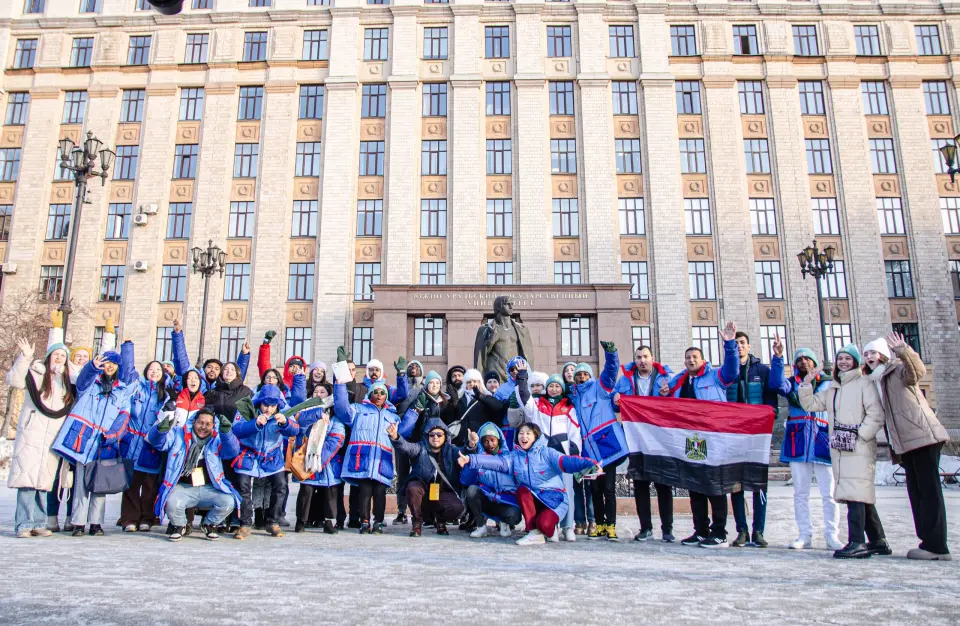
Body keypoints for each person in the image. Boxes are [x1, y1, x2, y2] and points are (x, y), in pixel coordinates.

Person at [863, 333, 951, 561]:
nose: (869, 357)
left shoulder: (897, 370)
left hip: (923, 436)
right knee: (917, 492)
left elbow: (918, 372)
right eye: (865, 354)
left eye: (873, 352)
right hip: (905, 442)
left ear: (883, 354)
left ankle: (937, 546)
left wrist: (903, 349)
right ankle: (928, 542)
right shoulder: (875, 380)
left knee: (929, 491)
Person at [798, 343, 886, 559]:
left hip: (858, 446)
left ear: (856, 361)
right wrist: (806, 384)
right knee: (857, 491)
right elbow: (811, 405)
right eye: (840, 359)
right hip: (840, 447)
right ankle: (879, 541)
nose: (843, 362)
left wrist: (860, 436)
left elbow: (876, 415)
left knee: (855, 493)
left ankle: (857, 541)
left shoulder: (864, 383)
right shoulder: (834, 388)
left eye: (848, 358)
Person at [662, 321, 739, 548]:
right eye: (687, 358)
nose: (691, 361)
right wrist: (664, 393)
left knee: (714, 485)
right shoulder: (679, 380)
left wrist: (730, 344)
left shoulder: (716, 376)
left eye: (695, 357)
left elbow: (733, 369)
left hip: (714, 438)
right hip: (691, 440)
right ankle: (700, 530)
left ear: (703, 360)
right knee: (694, 485)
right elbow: (665, 401)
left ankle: (719, 532)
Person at [459, 422, 599, 545]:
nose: (523, 437)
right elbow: (498, 463)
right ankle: (533, 532)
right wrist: (471, 459)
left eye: (528, 434)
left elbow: (567, 462)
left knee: (545, 526)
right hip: (533, 498)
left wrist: (588, 463)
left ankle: (546, 528)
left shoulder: (547, 453)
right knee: (523, 490)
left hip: (553, 499)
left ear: (535, 436)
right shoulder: (515, 457)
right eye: (521, 433)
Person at [52, 343, 136, 536]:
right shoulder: (91, 384)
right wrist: (91, 366)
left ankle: (96, 523)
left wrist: (112, 435)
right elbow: (82, 381)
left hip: (104, 443)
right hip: (83, 440)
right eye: (107, 363)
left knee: (100, 484)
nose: (110, 366)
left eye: (114, 364)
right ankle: (78, 523)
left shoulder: (122, 391)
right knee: (81, 484)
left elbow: (124, 416)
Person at [769, 338, 842, 551]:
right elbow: (775, 383)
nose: (803, 363)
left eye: (806, 359)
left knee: (829, 491)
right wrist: (778, 357)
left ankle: (832, 534)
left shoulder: (829, 383)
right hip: (798, 439)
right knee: (800, 492)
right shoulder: (792, 384)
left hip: (821, 438)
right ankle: (804, 534)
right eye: (799, 360)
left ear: (814, 361)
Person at [7, 314, 75, 539]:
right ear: (48, 357)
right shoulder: (36, 374)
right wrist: (25, 358)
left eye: (62, 357)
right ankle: (23, 525)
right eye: (55, 355)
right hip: (32, 435)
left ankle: (38, 522)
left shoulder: (65, 383)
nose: (59, 360)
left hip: (51, 438)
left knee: (43, 482)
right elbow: (15, 381)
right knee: (27, 480)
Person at [147, 407, 241, 541]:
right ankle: (179, 525)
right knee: (171, 501)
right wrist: (159, 432)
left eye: (208, 424)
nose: (203, 427)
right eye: (200, 423)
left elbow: (232, 451)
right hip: (183, 487)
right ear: (193, 422)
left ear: (213, 426)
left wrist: (227, 434)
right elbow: (158, 443)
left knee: (228, 501)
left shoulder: (216, 439)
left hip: (209, 487)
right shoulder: (179, 434)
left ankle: (208, 524)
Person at [614, 345, 675, 542]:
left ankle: (667, 529)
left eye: (645, 356)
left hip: (659, 439)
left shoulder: (666, 378)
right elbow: (612, 401)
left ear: (652, 358)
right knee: (640, 484)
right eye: (639, 357)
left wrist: (670, 394)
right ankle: (645, 527)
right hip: (637, 440)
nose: (642, 360)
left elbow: (678, 401)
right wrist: (615, 401)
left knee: (663, 484)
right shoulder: (625, 380)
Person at [513, 369, 582, 542]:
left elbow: (574, 431)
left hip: (561, 453)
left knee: (567, 491)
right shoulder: (537, 404)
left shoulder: (568, 407)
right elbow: (524, 397)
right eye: (551, 386)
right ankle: (552, 527)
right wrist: (522, 377)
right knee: (547, 490)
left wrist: (574, 450)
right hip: (542, 454)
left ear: (562, 388)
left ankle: (568, 527)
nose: (554, 389)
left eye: (557, 386)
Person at [569, 341, 626, 541]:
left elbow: (611, 372)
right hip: (589, 450)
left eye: (585, 374)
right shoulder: (574, 396)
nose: (582, 377)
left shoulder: (600, 389)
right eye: (578, 375)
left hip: (606, 445)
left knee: (609, 488)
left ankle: (611, 525)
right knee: (595, 488)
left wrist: (611, 353)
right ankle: (599, 524)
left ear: (590, 376)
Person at [728, 331, 779, 548]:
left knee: (759, 485)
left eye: (742, 343)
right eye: (735, 344)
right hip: (733, 435)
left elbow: (771, 401)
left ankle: (758, 530)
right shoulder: (727, 371)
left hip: (757, 435)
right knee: (735, 485)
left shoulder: (762, 370)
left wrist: (768, 418)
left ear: (749, 346)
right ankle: (742, 530)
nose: (739, 347)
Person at [230, 384, 299, 539]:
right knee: (243, 487)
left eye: (273, 406)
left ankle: (272, 521)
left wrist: (285, 423)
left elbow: (295, 429)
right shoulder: (246, 409)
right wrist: (254, 423)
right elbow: (237, 429)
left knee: (281, 486)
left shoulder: (284, 411)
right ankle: (245, 523)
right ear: (259, 403)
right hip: (248, 455)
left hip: (272, 457)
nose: (269, 409)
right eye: (265, 405)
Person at [118, 347, 174, 533]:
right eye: (152, 369)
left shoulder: (165, 395)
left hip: (150, 444)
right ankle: (129, 519)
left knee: (149, 485)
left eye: (158, 370)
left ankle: (147, 518)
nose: (154, 372)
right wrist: (128, 347)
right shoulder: (137, 387)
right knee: (131, 485)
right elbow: (127, 370)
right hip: (132, 441)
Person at [333, 380, 400, 534]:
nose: (379, 395)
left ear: (386, 396)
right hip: (362, 457)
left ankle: (378, 521)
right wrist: (340, 385)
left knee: (380, 491)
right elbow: (342, 409)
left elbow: (404, 431)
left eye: (382, 392)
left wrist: (415, 411)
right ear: (370, 395)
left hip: (382, 459)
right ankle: (364, 521)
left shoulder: (392, 416)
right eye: (375, 392)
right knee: (364, 491)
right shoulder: (358, 409)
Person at [388, 418, 470, 537]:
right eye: (432, 435)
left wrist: (471, 444)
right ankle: (417, 523)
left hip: (442, 491)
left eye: (439, 434)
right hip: (423, 490)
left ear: (445, 435)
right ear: (427, 436)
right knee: (412, 488)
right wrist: (396, 437)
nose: (435, 437)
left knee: (458, 508)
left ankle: (441, 521)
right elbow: (406, 447)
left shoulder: (450, 449)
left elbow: (463, 451)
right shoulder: (420, 448)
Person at [460, 422, 521, 538]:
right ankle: (481, 526)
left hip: (504, 501)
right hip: (487, 501)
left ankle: (504, 523)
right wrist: (472, 450)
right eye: (486, 441)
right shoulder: (477, 458)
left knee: (514, 515)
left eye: (493, 440)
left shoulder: (510, 457)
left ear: (499, 439)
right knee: (472, 490)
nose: (490, 444)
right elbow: (466, 480)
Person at [293, 402, 346, 535]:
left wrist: (319, 458)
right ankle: (301, 521)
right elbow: (300, 431)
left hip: (328, 461)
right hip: (307, 459)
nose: (320, 394)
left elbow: (336, 440)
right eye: (317, 391)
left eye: (323, 392)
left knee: (331, 493)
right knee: (306, 491)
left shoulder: (335, 420)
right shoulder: (306, 416)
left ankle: (329, 521)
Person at [171, 319, 250, 393]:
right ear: (203, 369)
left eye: (216, 369)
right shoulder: (194, 379)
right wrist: (177, 334)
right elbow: (181, 360)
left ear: (221, 373)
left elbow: (238, 374)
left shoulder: (224, 386)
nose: (212, 370)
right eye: (209, 367)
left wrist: (244, 355)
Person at [392, 359, 425, 525]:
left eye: (417, 366)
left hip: (420, 439)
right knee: (402, 474)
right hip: (402, 437)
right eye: (411, 366)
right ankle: (401, 510)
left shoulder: (426, 389)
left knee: (422, 474)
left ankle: (422, 511)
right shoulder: (400, 390)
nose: (413, 368)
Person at [454, 369, 508, 447]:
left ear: (480, 383)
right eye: (469, 382)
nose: (472, 384)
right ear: (465, 384)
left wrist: (481, 396)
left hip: (480, 441)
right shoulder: (459, 398)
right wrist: (453, 402)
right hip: (461, 441)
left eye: (475, 381)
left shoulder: (486, 397)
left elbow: (499, 407)